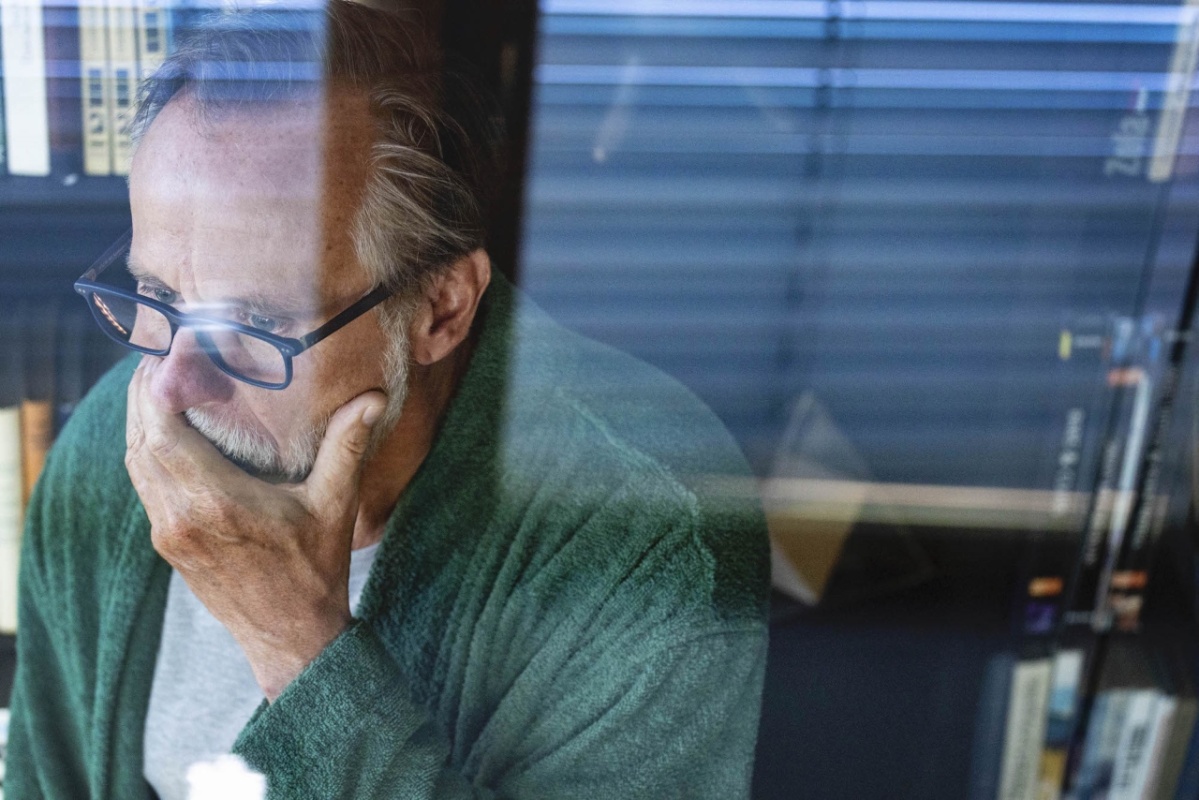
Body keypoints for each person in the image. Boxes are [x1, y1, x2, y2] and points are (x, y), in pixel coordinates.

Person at [7, 2, 770, 798]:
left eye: (257, 322)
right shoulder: (113, 441)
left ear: (440, 309)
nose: (172, 388)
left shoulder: (647, 533)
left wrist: (298, 645)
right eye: (159, 296)